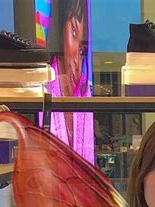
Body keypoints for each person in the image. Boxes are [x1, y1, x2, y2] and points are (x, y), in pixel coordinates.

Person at [45, 0, 94, 161]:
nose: (76, 51)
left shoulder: (84, 88)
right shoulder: (46, 83)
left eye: (82, 48)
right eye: (73, 32)